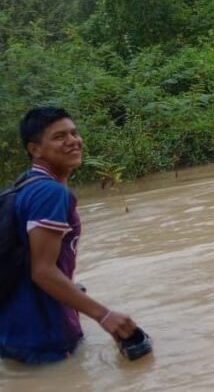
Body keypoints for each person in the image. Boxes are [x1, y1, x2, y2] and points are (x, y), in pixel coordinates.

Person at [0, 107, 138, 364]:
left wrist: (71, 289)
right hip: (45, 334)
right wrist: (104, 316)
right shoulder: (50, 193)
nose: (73, 141)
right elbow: (42, 271)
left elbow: (27, 257)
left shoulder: (23, 185)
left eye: (74, 133)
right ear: (35, 150)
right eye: (59, 136)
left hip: (14, 328)